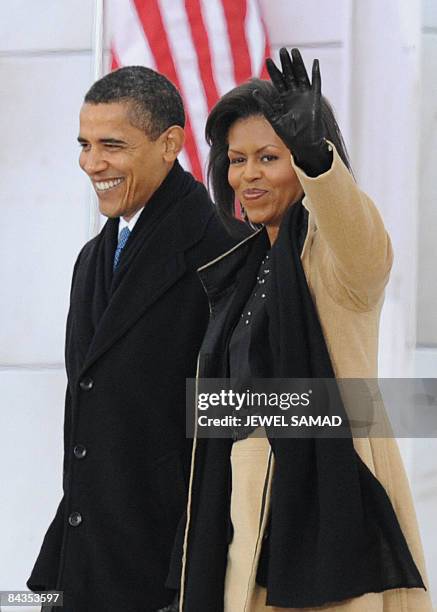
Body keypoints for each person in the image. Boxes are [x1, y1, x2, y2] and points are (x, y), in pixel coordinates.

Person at [171, 49, 433, 611]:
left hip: (329, 516)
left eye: (269, 157)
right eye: (236, 159)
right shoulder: (238, 271)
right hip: (244, 515)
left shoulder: (335, 261)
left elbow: (361, 246)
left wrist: (318, 161)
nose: (248, 175)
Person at [27, 66, 245, 612]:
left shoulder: (226, 251)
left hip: (165, 575)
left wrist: (184, 579)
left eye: (112, 145)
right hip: (84, 563)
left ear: (171, 144)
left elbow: (230, 434)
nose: (91, 163)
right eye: (84, 144)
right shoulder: (92, 258)